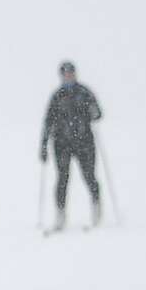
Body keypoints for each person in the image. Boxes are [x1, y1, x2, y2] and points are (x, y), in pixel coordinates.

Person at [39, 60, 103, 230]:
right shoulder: (57, 96)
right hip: (62, 144)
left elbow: (98, 113)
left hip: (84, 142)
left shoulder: (84, 92)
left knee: (89, 176)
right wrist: (44, 145)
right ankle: (60, 215)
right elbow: (48, 122)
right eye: (65, 74)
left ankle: (97, 210)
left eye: (71, 73)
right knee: (62, 179)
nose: (68, 76)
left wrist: (93, 112)